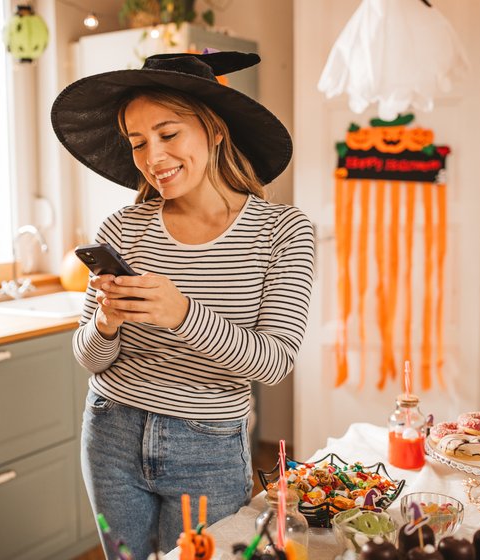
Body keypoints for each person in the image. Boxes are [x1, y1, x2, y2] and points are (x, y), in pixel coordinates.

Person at [51, 50, 315, 558]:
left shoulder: (283, 231)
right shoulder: (122, 230)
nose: (153, 158)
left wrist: (183, 315)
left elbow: (275, 361)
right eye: (137, 143)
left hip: (209, 445)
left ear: (215, 131)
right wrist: (104, 322)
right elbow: (88, 357)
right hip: (110, 431)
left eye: (168, 135)